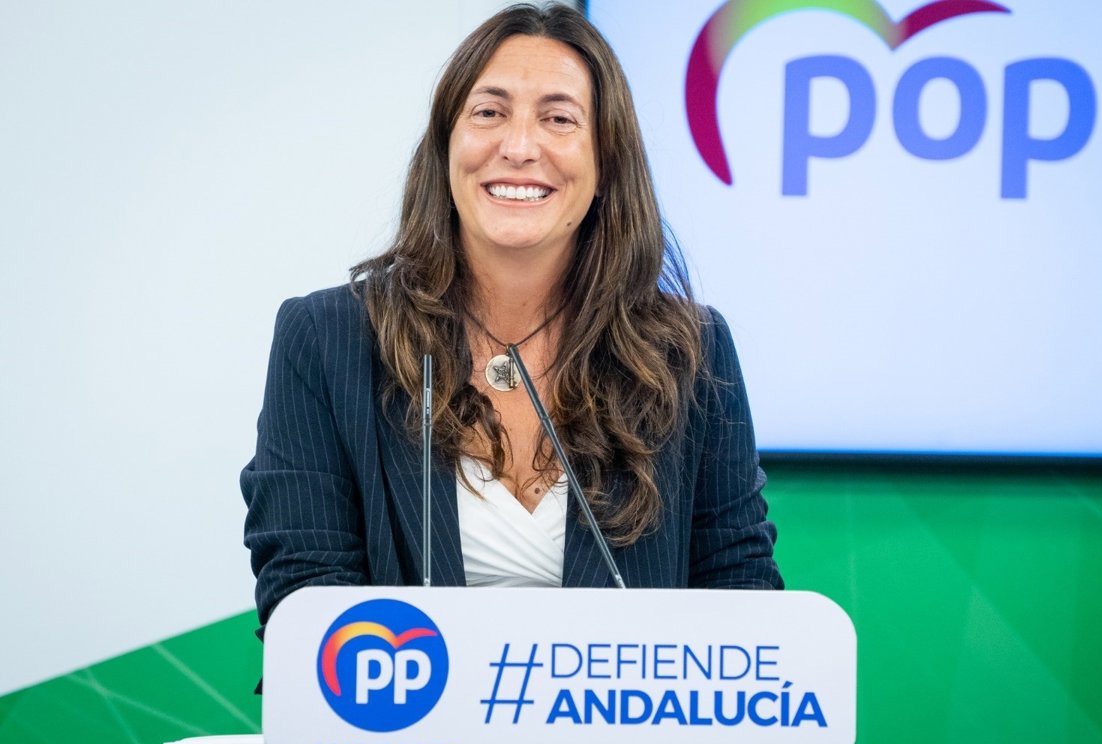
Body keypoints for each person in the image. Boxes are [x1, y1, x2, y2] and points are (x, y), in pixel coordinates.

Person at [242, 2, 783, 634]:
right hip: (400, 698)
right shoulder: (326, 339)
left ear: (605, 164)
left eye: (559, 118)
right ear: (446, 149)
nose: (519, 147)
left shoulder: (691, 352)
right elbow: (305, 597)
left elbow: (740, 595)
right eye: (489, 113)